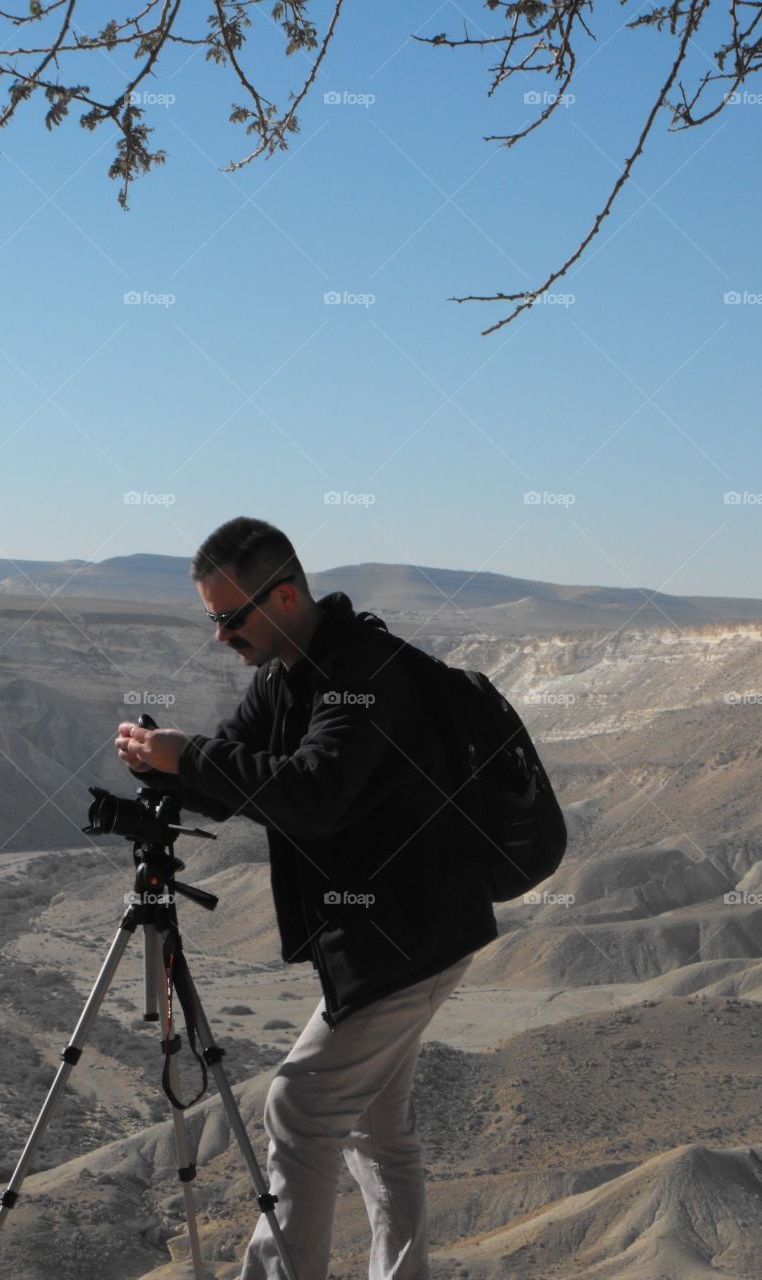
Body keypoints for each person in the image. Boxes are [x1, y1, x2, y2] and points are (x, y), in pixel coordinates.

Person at [115, 516, 498, 1280]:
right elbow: (233, 775)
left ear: (284, 596)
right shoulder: (285, 677)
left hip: (410, 939)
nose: (221, 636)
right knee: (378, 1134)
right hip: (385, 936)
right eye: (212, 618)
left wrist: (191, 758)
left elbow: (315, 795)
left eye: (231, 616)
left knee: (298, 1108)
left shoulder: (362, 672)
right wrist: (162, 768)